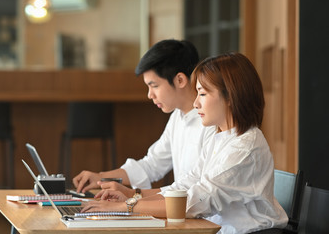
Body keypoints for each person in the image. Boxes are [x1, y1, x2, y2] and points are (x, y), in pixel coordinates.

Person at [81, 52, 288, 233]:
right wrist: (134, 198)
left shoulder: (244, 148)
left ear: (230, 97)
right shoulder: (221, 138)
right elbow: (185, 187)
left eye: (203, 94)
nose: (196, 102)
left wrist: (125, 206)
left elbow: (192, 202)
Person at [73, 39, 209, 198]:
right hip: (185, 212)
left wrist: (134, 195)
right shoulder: (177, 117)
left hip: (205, 218)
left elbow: (199, 192)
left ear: (180, 80)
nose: (150, 95)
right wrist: (100, 177)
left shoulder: (211, 122)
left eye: (154, 85)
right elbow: (152, 164)